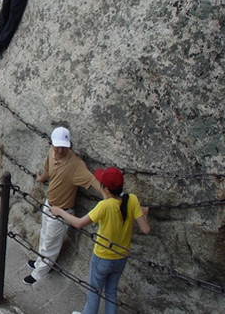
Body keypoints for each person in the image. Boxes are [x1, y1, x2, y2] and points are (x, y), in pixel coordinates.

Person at [50, 167, 150, 314]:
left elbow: (78, 223)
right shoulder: (132, 200)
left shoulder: (104, 206)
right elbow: (146, 229)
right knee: (111, 292)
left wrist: (60, 212)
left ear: (105, 188)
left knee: (94, 292)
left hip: (102, 257)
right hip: (121, 257)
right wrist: (144, 214)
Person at [23, 127, 101, 286]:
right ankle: (40, 262)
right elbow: (48, 170)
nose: (59, 150)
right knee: (44, 236)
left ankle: (39, 273)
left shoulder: (76, 164)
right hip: (49, 204)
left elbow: (93, 181)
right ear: (51, 144)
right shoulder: (51, 154)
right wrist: (41, 178)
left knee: (50, 244)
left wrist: (110, 197)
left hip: (62, 211)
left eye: (63, 146)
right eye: (57, 146)